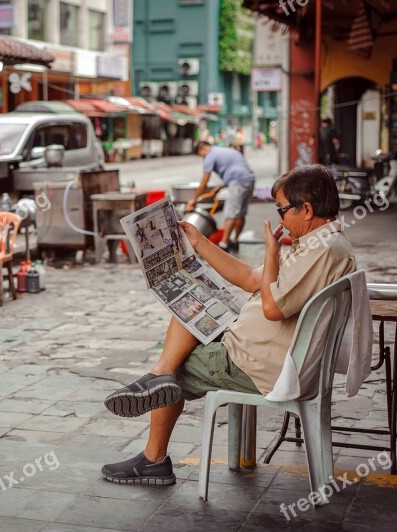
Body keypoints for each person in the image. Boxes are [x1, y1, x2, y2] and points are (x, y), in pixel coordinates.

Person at [101, 165, 355, 485]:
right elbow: (252, 279)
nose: (280, 219)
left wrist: (272, 254)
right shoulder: (323, 243)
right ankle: (158, 375)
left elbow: (273, 308)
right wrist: (201, 244)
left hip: (258, 361)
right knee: (190, 306)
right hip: (264, 347)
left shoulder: (321, 251)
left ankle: (154, 454)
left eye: (283, 210)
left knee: (176, 368)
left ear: (307, 209)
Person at [186, 141, 256, 253]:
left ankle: (223, 245)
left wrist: (193, 200)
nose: (203, 158)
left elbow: (204, 183)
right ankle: (235, 241)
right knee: (240, 213)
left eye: (201, 155)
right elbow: (235, 170)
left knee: (231, 213)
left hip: (237, 182)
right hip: (249, 180)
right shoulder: (223, 151)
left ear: (202, 149)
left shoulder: (210, 155)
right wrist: (220, 187)